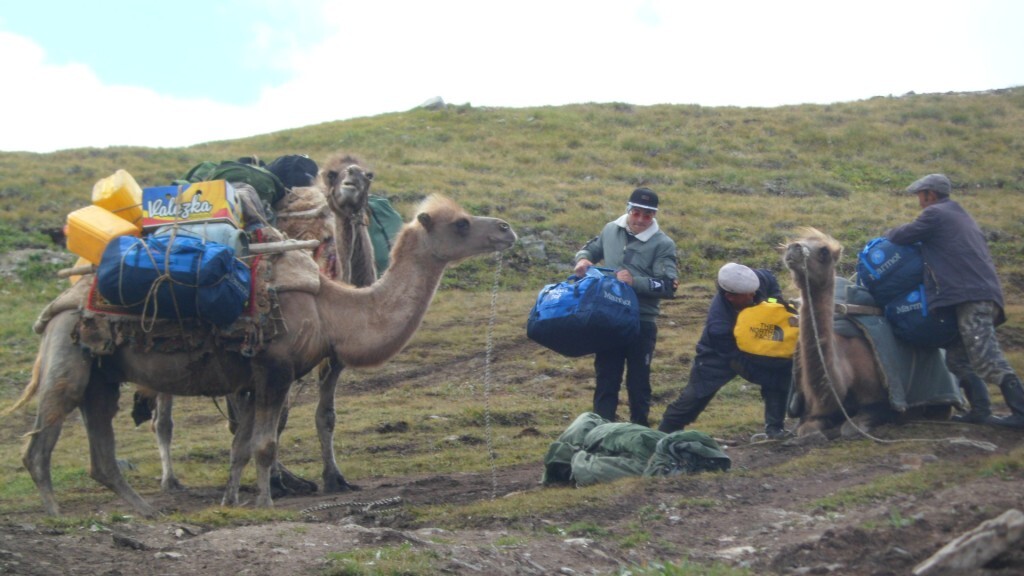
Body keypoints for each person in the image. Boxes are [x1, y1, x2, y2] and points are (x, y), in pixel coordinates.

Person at [885, 173, 1024, 428]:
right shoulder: (959, 214)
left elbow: (903, 235)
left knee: (987, 356)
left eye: (920, 195)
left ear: (930, 194)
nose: (919, 200)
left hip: (972, 297)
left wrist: (886, 235)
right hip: (976, 295)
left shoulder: (935, 214)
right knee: (958, 358)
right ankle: (980, 411)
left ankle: (1021, 413)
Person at [573, 187, 679, 426]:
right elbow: (591, 249)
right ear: (628, 210)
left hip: (641, 320)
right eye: (637, 212)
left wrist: (635, 282)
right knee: (606, 377)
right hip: (609, 316)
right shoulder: (611, 229)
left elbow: (668, 286)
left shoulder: (663, 244)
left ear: (654, 216)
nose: (641, 219)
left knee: (638, 380)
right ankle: (601, 430)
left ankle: (639, 429)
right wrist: (583, 259)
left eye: (647, 215)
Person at [658, 263, 792, 439]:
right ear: (730, 296)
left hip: (760, 337)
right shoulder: (719, 324)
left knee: (778, 372)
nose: (754, 295)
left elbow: (771, 280)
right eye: (749, 295)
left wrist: (775, 307)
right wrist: (763, 373)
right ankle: (666, 432)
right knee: (697, 393)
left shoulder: (757, 281)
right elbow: (736, 359)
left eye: (755, 291)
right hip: (721, 354)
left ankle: (775, 429)